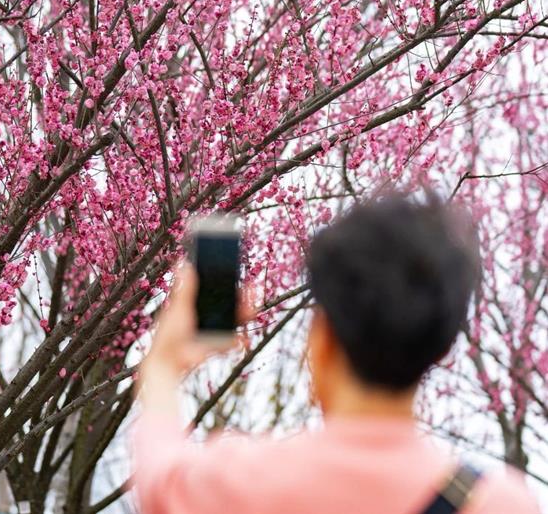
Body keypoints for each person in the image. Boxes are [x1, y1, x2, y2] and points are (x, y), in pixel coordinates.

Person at [133, 194, 541, 514]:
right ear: (441, 348)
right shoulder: (500, 504)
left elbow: (159, 481)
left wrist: (163, 367)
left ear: (323, 339)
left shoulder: (242, 481)